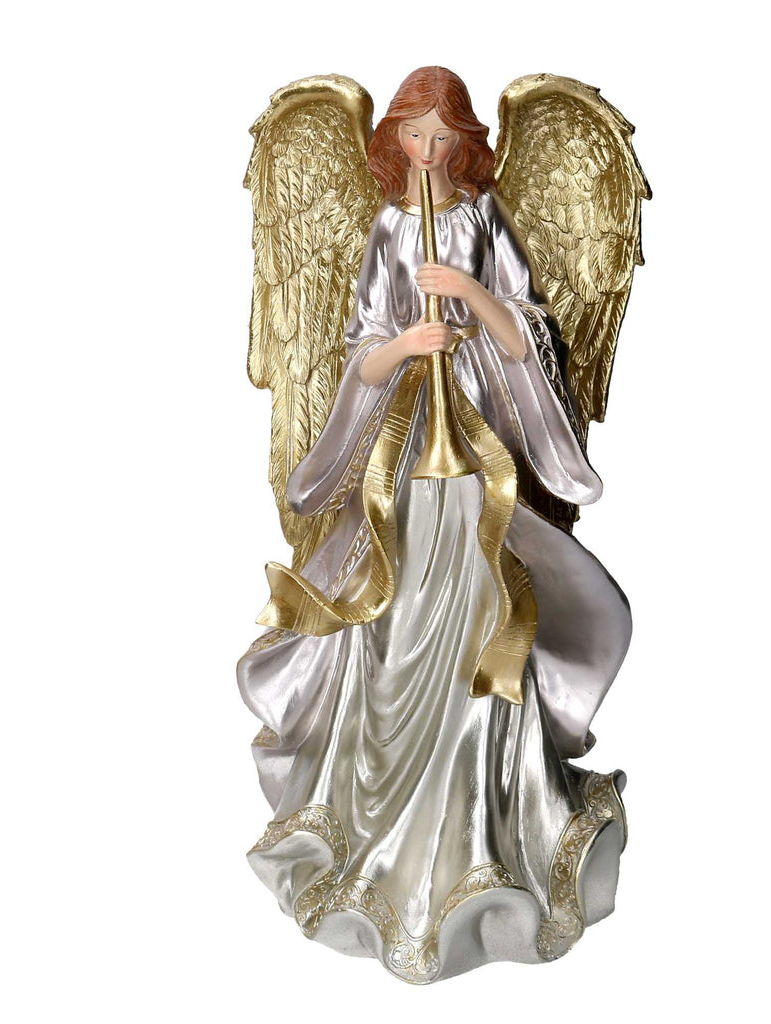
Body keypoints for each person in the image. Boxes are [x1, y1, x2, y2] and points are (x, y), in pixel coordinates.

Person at [238, 66, 632, 985]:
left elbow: (524, 335)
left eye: (441, 136)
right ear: (393, 143)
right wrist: (403, 345)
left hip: (479, 454)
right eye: (412, 136)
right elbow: (359, 354)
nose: (426, 152)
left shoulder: (484, 219)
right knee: (392, 622)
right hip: (408, 450)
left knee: (482, 621)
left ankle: (482, 822)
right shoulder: (387, 228)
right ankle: (378, 816)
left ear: (464, 142)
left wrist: (470, 293)